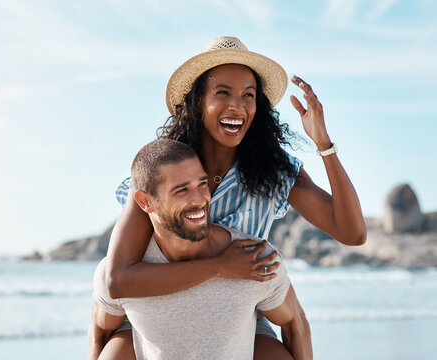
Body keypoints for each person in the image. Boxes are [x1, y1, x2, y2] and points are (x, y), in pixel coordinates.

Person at [104, 36, 366, 359]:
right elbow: (118, 278)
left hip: (239, 319)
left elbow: (352, 232)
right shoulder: (165, 167)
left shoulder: (274, 171)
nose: (237, 107)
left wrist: (323, 143)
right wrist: (219, 266)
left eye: (248, 95)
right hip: (159, 312)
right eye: (223, 93)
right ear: (198, 100)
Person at [88, 139, 311, 360]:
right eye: (182, 190)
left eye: (202, 184)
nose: (200, 199)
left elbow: (295, 322)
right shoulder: (122, 273)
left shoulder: (254, 260)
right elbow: (100, 330)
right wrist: (219, 267)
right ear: (145, 201)